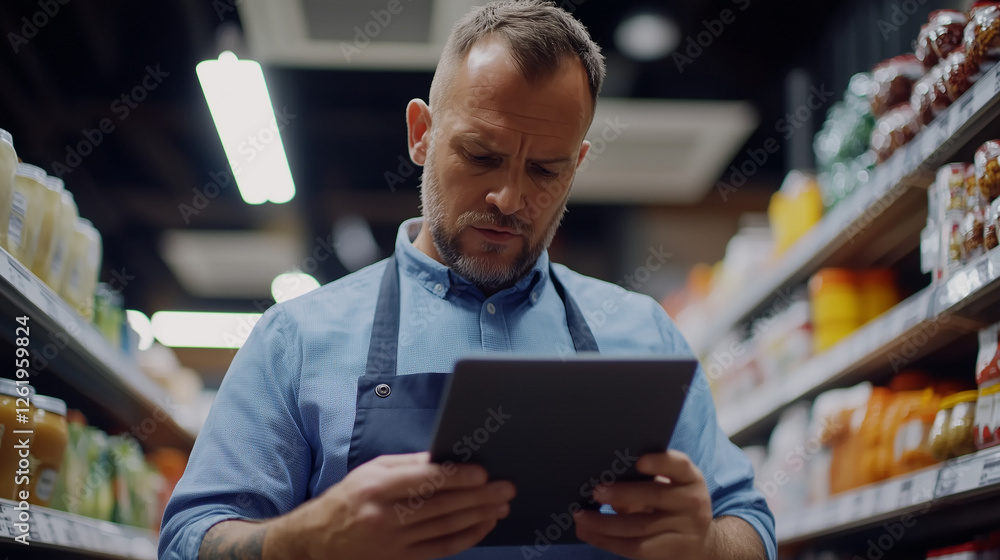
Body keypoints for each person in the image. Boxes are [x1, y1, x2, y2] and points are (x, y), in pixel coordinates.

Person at [158, 1, 776, 559]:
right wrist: (305, 541)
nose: (510, 197)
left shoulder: (644, 335)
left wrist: (708, 546)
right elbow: (188, 540)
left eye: (545, 170)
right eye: (481, 156)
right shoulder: (298, 338)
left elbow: (751, 527)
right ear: (422, 134)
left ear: (578, 164)